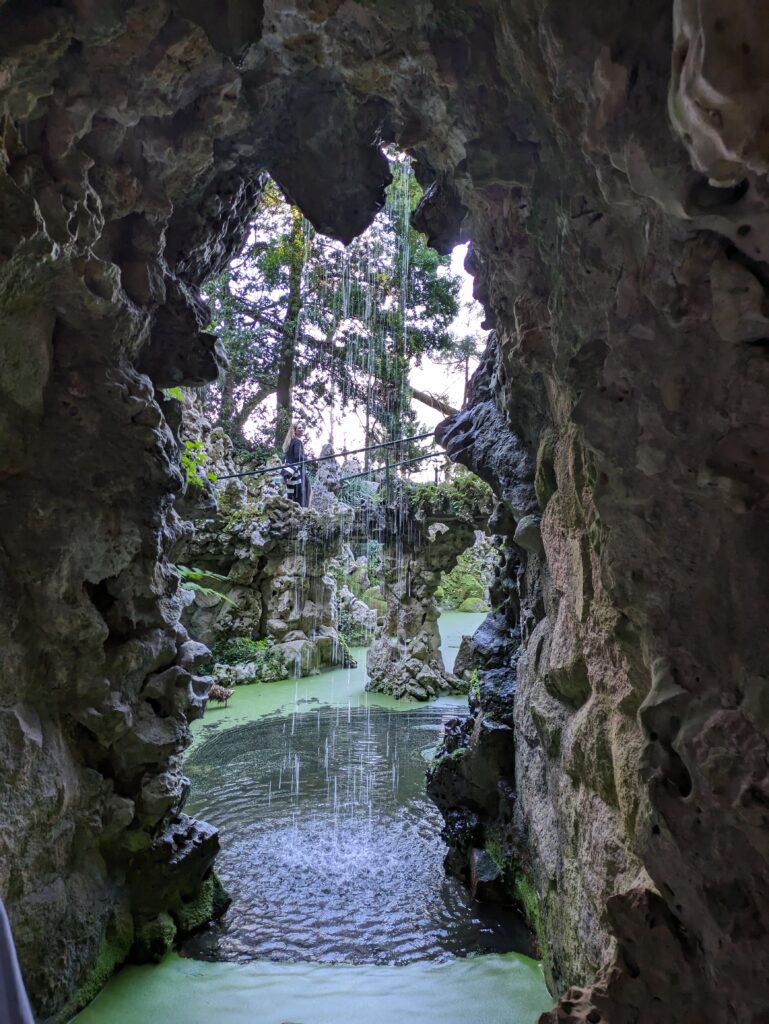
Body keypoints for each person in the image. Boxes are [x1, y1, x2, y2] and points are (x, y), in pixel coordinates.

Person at [281, 421, 311, 507]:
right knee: (304, 489)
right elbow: (298, 458)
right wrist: (307, 459)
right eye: (299, 428)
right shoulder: (297, 442)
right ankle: (303, 510)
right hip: (297, 471)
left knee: (293, 492)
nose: (302, 429)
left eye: (302, 428)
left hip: (290, 471)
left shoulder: (290, 442)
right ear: (295, 431)